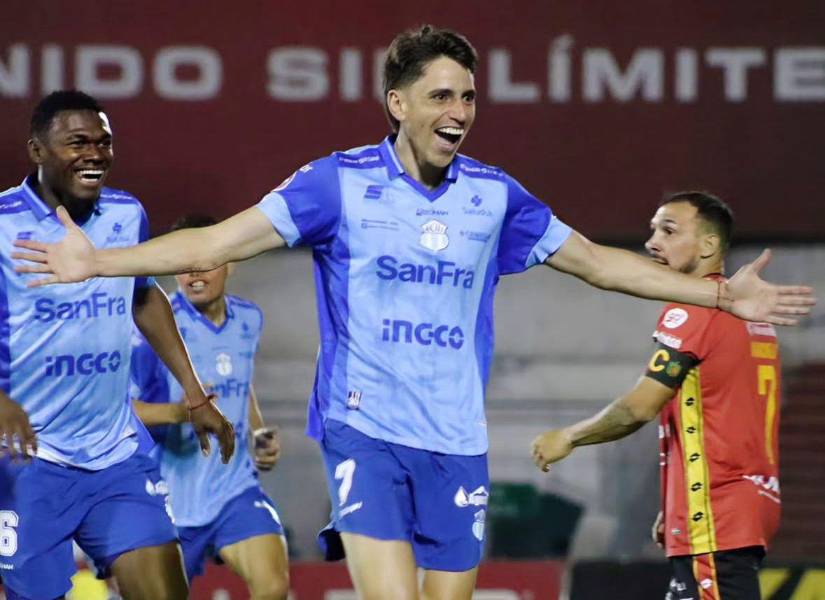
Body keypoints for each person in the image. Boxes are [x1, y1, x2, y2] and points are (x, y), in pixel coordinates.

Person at [11, 28, 814, 600]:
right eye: (440, 95)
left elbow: (601, 266)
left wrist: (720, 293)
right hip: (366, 432)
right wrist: (99, 262)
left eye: (467, 94)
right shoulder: (335, 184)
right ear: (397, 102)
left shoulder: (495, 197)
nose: (458, 108)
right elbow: (221, 240)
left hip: (455, 441)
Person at [0, 90, 235, 600]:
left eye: (104, 142)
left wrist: (194, 393)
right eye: (77, 142)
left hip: (116, 457)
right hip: (26, 461)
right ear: (37, 151)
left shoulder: (126, 216)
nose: (95, 154)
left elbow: (144, 300)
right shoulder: (2, 224)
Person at [532, 192, 782, 600]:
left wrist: (570, 436)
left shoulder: (695, 311)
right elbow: (724, 410)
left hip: (717, 513)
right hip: (745, 502)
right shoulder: (749, 317)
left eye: (668, 230)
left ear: (708, 245)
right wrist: (676, 502)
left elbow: (638, 407)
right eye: (652, 230)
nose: (652, 242)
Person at [129, 214, 288, 600]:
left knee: (273, 587)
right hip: (168, 499)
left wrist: (257, 430)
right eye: (183, 266)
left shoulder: (249, 318)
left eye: (205, 263)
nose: (194, 275)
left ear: (231, 262)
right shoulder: (154, 328)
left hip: (234, 491)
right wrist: (179, 412)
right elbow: (121, 410)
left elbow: (241, 382)